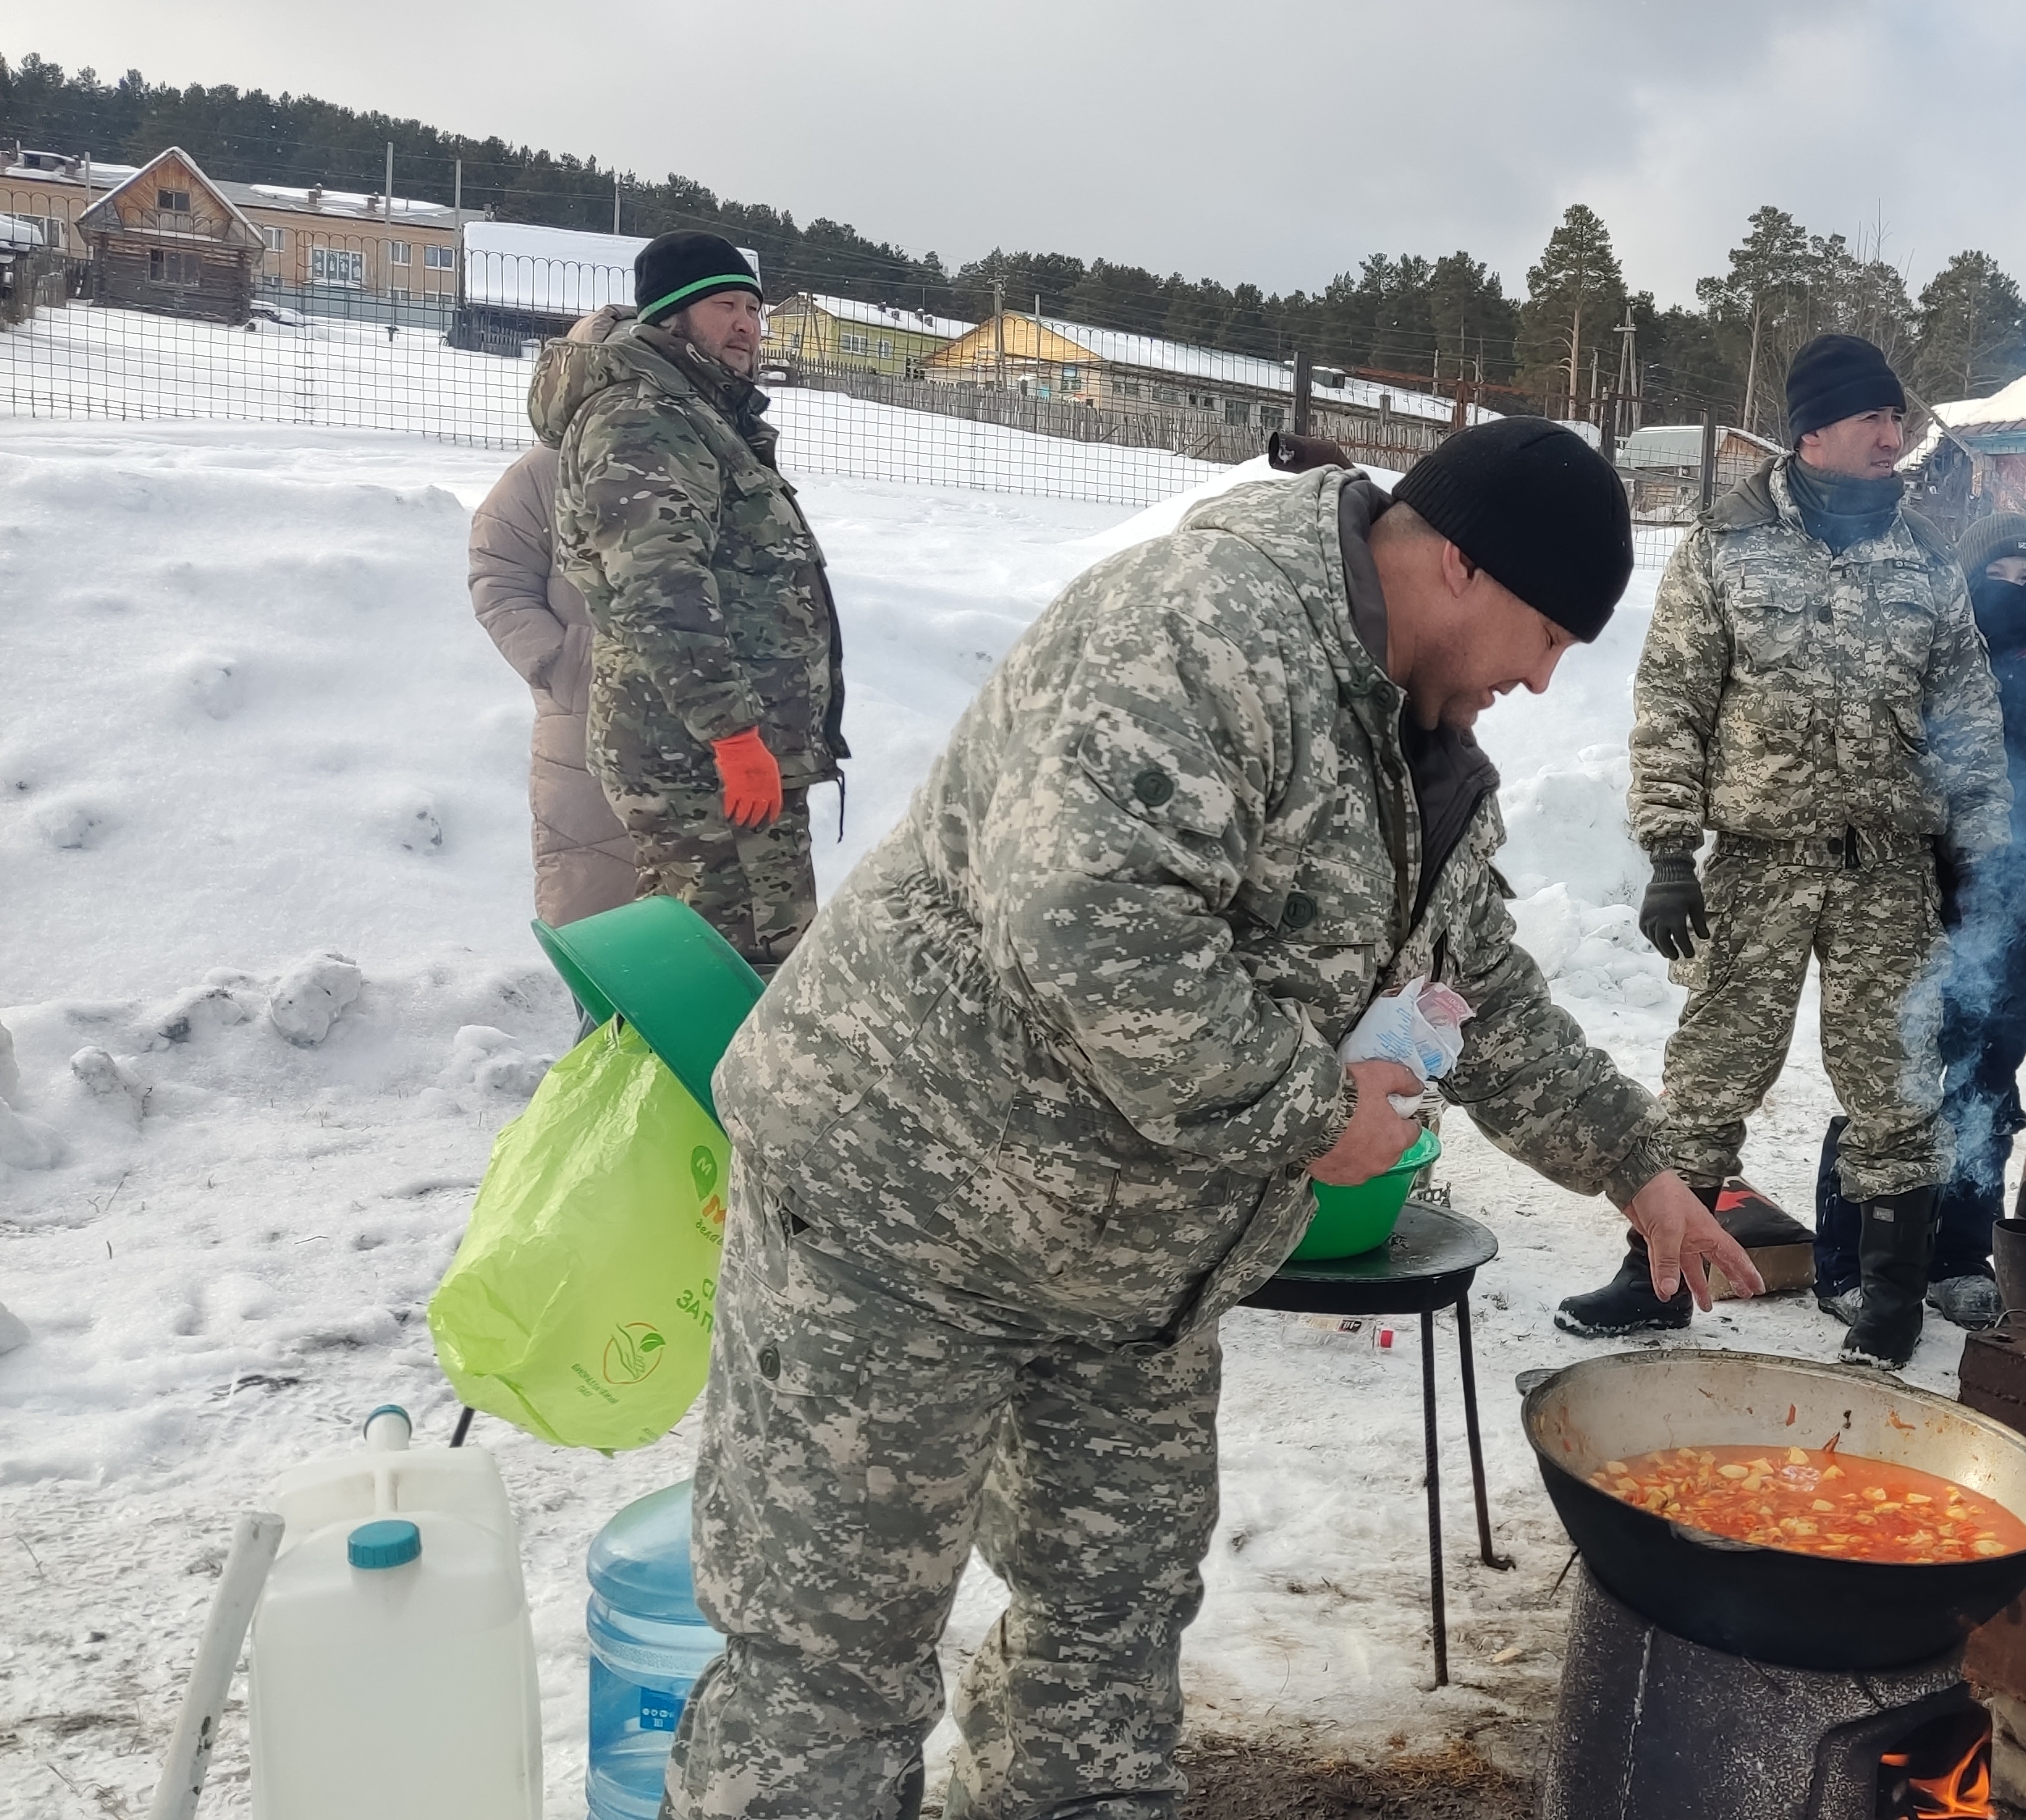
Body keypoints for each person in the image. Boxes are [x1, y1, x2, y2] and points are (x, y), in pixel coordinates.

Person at [665, 421, 1757, 1820]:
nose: (1545, 678)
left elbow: (1470, 979)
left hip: (1126, 1272)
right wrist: (1316, 1116)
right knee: (831, 1670)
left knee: (1107, 1642)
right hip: (902, 1218)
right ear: (1458, 565)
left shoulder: (1421, 733)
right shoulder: (1202, 628)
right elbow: (1087, 927)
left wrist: (1638, 1168)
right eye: (1547, 634)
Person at [1562, 332, 2009, 1369]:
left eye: (1897, 420)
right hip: (1758, 862)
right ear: (1814, 429)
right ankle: (1656, 1279)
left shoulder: (1930, 561)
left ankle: (1890, 1301)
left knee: (1894, 1082)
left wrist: (1976, 855)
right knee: (1710, 1076)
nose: (1893, 438)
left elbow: (1969, 717)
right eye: (1873, 420)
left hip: (1887, 866)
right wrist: (1671, 848)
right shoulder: (1726, 546)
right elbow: (1671, 700)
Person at [529, 231, 844, 973]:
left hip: (724, 751)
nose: (746, 324)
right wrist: (733, 737)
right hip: (701, 760)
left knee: (708, 953)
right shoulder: (643, 418)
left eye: (752, 308)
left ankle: (683, 1082)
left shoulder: (700, 414)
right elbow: (659, 590)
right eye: (723, 305)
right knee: (740, 968)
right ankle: (714, 1090)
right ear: (673, 317)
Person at [1810, 513, 2026, 1331]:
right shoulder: (1920, 667)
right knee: (1888, 1084)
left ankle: (1956, 1252)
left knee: (1986, 1091)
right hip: (1908, 916)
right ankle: (1848, 1258)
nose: (2012, 593)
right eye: (1998, 574)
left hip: (2010, 925)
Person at [468, 417, 639, 927]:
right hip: (585, 718)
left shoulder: (718, 454)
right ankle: (603, 1012)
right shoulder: (548, 469)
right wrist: (568, 664)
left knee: (704, 933)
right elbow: (496, 576)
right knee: (598, 908)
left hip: (716, 725)